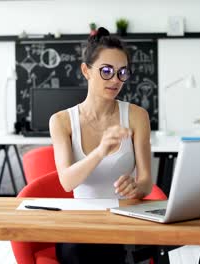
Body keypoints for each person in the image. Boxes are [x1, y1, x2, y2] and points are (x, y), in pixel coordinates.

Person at [49, 27, 153, 264]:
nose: (116, 80)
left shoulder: (137, 116)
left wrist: (137, 187)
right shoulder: (62, 121)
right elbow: (67, 181)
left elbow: (147, 182)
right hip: (82, 223)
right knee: (80, 252)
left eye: (122, 72)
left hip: (126, 219)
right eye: (106, 71)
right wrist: (100, 151)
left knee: (124, 251)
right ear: (86, 71)